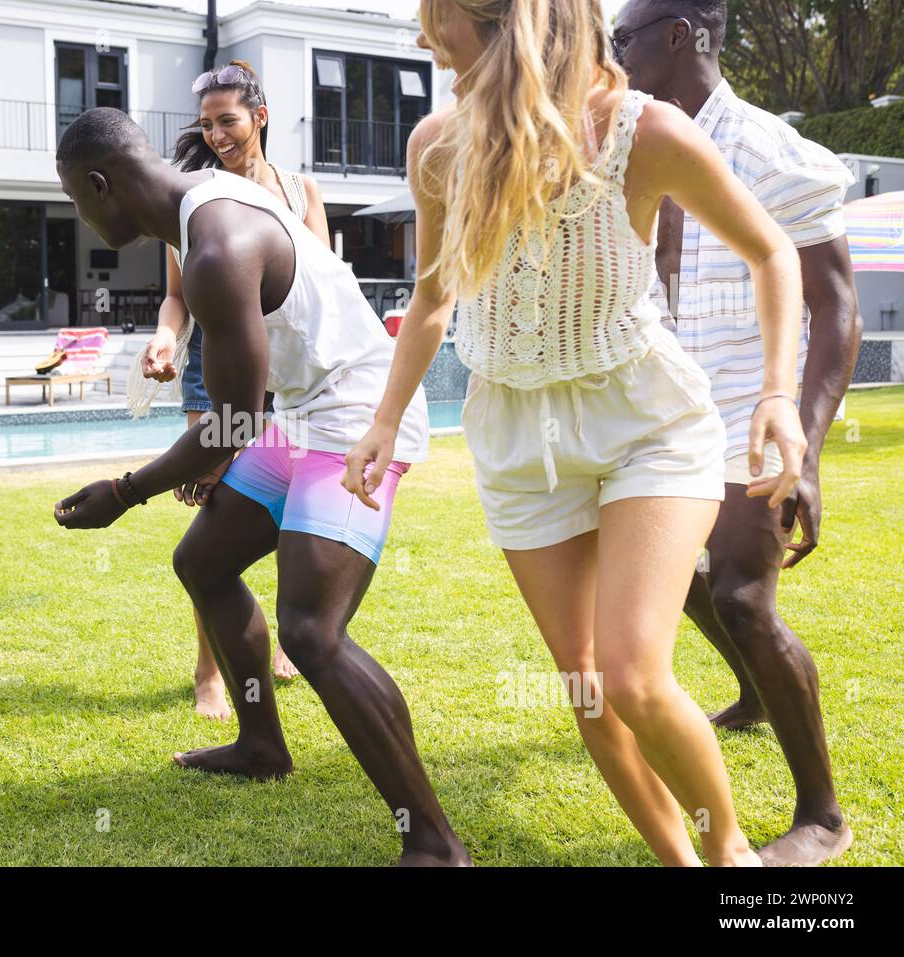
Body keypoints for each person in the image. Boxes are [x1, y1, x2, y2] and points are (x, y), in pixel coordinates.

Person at [345, 0, 808, 866]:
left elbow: (772, 251)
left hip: (645, 422)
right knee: (592, 692)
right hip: (519, 432)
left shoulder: (645, 132)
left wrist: (778, 393)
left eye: (432, 18)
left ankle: (732, 861)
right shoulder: (438, 147)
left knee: (634, 674)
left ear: (499, 23)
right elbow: (435, 297)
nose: (418, 38)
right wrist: (383, 419)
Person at [52, 107, 469, 866]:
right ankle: (260, 743)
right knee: (203, 562)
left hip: (358, 416)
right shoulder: (201, 206)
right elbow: (239, 413)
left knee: (312, 630)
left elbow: (231, 425)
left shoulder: (214, 245)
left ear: (100, 183)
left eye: (77, 202)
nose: (82, 217)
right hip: (307, 409)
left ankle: (435, 844)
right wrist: (200, 460)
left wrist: (125, 489)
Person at [613, 0, 860, 866]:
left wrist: (808, 444)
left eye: (625, 40)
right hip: (670, 411)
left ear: (680, 36)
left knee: (746, 598)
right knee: (679, 582)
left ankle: (823, 814)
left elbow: (836, 308)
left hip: (756, 409)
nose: (614, 56)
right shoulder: (635, 144)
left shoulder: (772, 153)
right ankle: (755, 697)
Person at [133, 61, 332, 715]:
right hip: (214, 373)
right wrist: (166, 338)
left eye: (229, 121)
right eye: (208, 124)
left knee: (282, 516)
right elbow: (175, 299)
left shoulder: (302, 194)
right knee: (217, 515)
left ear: (261, 118)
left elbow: (322, 292)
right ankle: (209, 671)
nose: (216, 134)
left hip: (291, 379)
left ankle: (271, 642)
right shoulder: (193, 201)